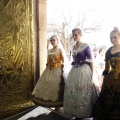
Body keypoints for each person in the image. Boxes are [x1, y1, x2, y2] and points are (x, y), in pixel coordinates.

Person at [63, 28, 96, 119]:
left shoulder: (85, 46)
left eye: (76, 35)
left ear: (80, 35)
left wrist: (91, 75)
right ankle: (75, 111)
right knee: (74, 90)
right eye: (73, 35)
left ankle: (83, 112)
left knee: (82, 92)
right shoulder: (73, 46)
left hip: (84, 71)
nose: (74, 37)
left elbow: (91, 61)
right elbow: (73, 59)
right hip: (74, 70)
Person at [93, 27, 120, 120]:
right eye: (111, 38)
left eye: (115, 37)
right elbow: (106, 68)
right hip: (110, 79)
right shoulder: (108, 51)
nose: (113, 39)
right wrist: (103, 80)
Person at [32, 35, 65, 109]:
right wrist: (49, 64)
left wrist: (58, 66)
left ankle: (57, 105)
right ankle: (48, 103)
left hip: (57, 70)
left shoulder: (60, 50)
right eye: (51, 40)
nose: (52, 42)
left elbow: (64, 61)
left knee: (54, 85)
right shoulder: (49, 50)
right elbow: (47, 61)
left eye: (54, 40)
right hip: (49, 70)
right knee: (46, 83)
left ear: (57, 40)